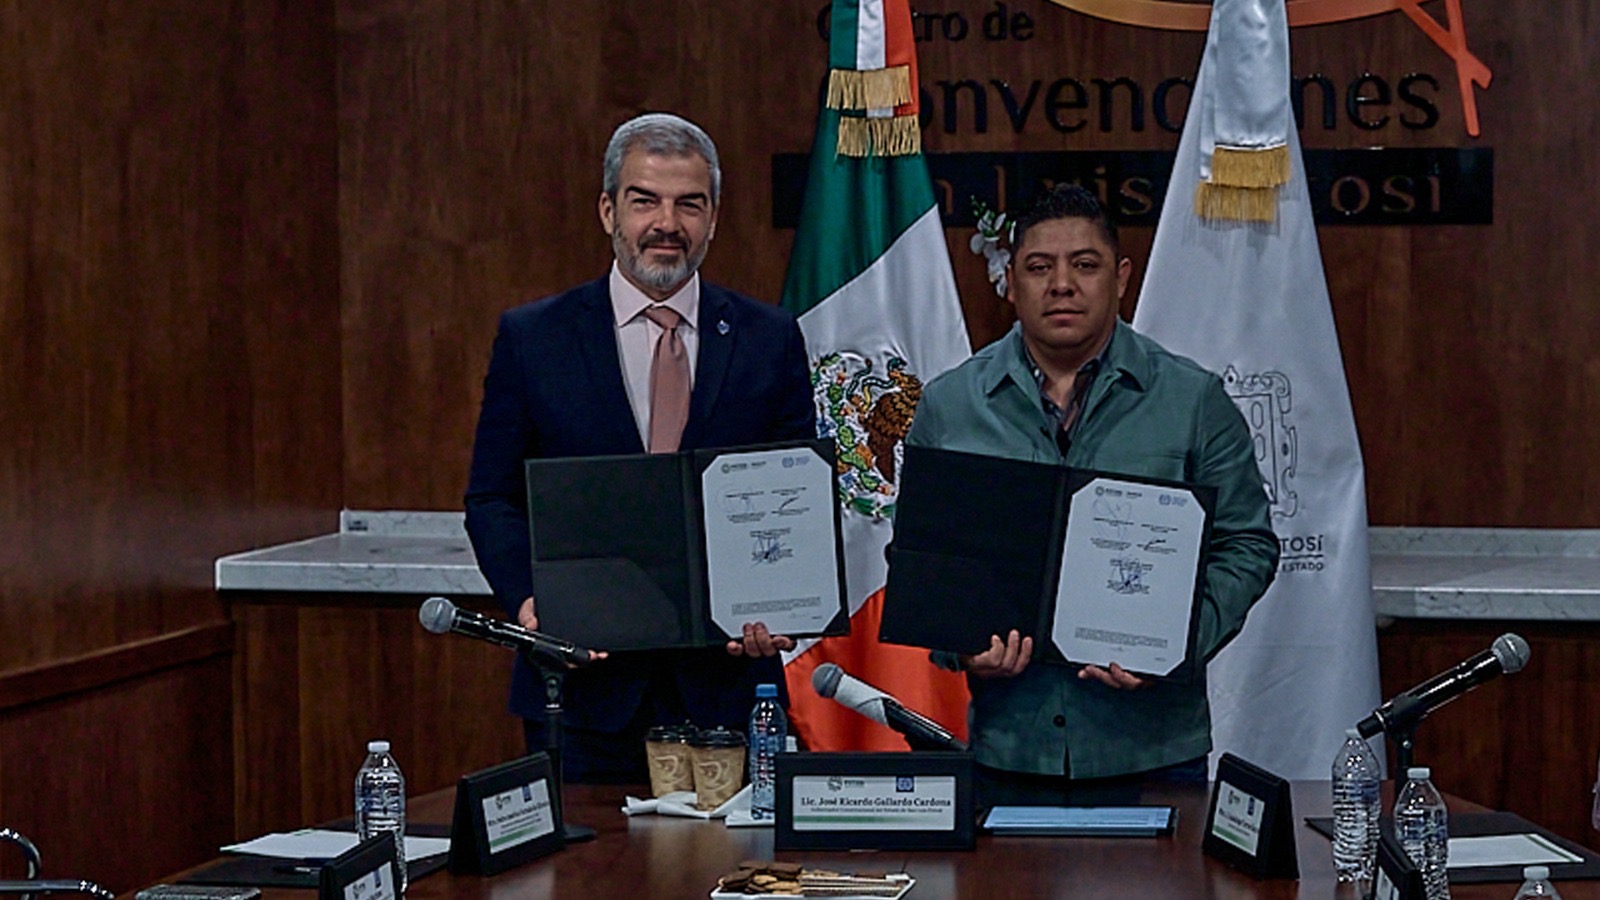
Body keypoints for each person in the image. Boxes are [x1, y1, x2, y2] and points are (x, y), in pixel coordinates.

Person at [464, 113, 816, 783]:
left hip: (725, 687)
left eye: (690, 204)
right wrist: (529, 600)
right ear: (608, 211)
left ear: (714, 219)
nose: (667, 223)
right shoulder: (535, 339)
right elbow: (492, 497)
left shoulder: (769, 339)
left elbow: (793, 494)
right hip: (581, 690)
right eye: (645, 200)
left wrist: (780, 602)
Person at [904, 184, 1278, 796]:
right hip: (1010, 749)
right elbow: (923, 557)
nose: (1061, 285)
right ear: (1009, 281)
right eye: (1038, 267)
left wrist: (1178, 645)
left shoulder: (1193, 401)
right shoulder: (951, 405)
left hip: (1155, 751)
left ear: (1121, 277)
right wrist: (960, 647)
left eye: (1084, 264)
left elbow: (1247, 545)